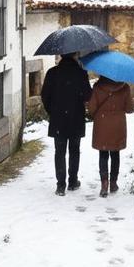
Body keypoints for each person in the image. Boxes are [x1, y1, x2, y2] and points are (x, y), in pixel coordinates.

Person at [41, 53, 92, 196]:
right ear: (75, 55)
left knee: (60, 152)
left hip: (58, 119)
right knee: (75, 150)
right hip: (76, 118)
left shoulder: (52, 73)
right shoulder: (81, 73)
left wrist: (52, 111)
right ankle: (73, 181)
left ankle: (60, 185)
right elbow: (88, 95)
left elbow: (45, 95)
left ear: (62, 55)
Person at [87, 76, 134, 197]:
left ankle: (104, 184)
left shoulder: (98, 87)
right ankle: (113, 182)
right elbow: (129, 108)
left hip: (102, 124)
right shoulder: (125, 87)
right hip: (118, 124)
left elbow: (91, 109)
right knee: (115, 154)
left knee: (103, 154)